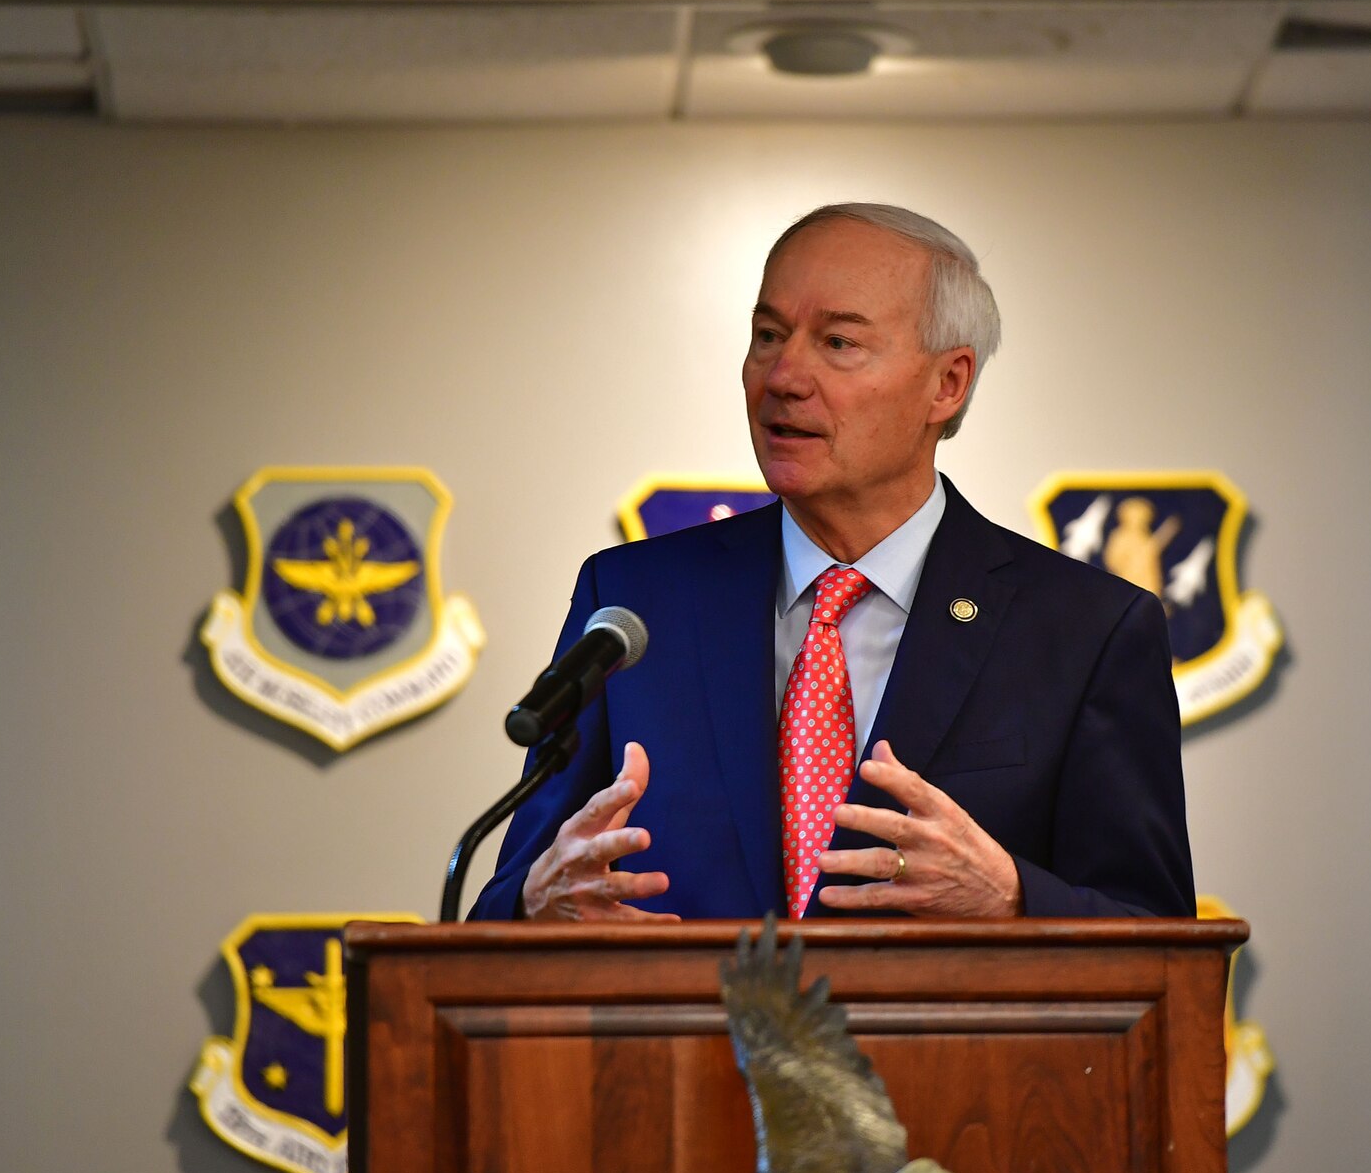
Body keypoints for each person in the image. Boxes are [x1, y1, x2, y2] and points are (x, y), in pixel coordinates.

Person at [470, 203, 1193, 922]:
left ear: (948, 383)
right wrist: (535, 905)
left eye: (838, 342)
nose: (783, 375)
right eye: (767, 335)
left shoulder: (1086, 629)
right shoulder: (636, 603)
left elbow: (1163, 947)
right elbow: (505, 906)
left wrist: (1010, 897)